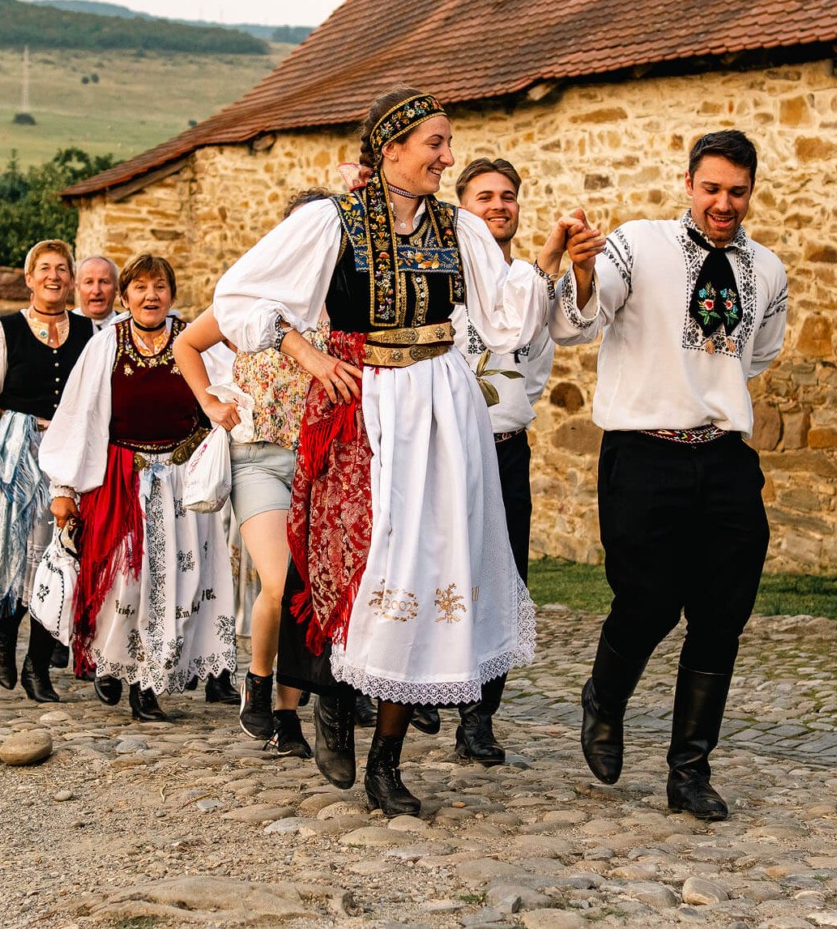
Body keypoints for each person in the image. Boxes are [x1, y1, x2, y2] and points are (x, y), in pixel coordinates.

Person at [211, 87, 580, 816]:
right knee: (353, 565)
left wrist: (547, 256)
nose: (447, 157)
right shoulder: (331, 221)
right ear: (392, 150)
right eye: (436, 144)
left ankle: (387, 759)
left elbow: (506, 320)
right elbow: (237, 296)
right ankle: (330, 697)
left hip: (442, 410)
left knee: (431, 566)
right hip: (361, 405)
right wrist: (302, 351)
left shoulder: (461, 228)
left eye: (448, 144)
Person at [551, 129, 788, 821]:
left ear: (750, 191)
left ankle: (689, 772)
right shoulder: (637, 244)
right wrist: (585, 269)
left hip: (723, 457)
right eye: (711, 188)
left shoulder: (768, 269)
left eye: (736, 192)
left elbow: (759, 354)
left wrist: (706, 390)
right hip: (643, 451)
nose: (723, 203)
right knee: (649, 601)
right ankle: (604, 695)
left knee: (721, 617)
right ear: (689, 184)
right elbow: (578, 319)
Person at [173, 189, 335, 758]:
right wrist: (212, 405)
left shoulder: (337, 301)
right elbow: (186, 344)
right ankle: (257, 681)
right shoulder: (247, 298)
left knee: (310, 594)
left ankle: (288, 714)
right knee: (280, 579)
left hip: (323, 464)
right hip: (260, 458)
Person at [40, 253, 235, 721]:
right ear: (125, 296)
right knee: (125, 582)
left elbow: (233, 392)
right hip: (121, 480)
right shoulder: (106, 345)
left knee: (176, 583)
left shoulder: (195, 342)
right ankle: (117, 666)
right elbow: (78, 416)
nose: (151, 297)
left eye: (160, 288)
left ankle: (148, 683)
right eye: (141, 288)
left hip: (181, 481)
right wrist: (64, 486)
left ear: (172, 294)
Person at [447, 157, 564, 765]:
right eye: (484, 196)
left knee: (503, 578)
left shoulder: (532, 285)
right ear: (461, 207)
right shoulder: (440, 283)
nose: (499, 205)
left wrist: (506, 415)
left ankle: (479, 717)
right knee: (440, 570)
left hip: (505, 453)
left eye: (509, 196)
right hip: (445, 455)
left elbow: (535, 369)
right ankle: (418, 687)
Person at [0, 240, 93, 702]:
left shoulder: (87, 331)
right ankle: (3, 632)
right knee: (13, 549)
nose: (54, 276)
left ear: (70, 280)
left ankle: (38, 667)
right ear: (29, 278)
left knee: (59, 558)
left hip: (67, 452)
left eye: (61, 269)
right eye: (44, 269)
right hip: (17, 449)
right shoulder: (8, 329)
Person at [73, 255, 120, 332]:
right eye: (89, 282)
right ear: (78, 287)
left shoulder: (129, 328)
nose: (96, 291)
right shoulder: (64, 327)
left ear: (116, 288)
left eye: (104, 282)